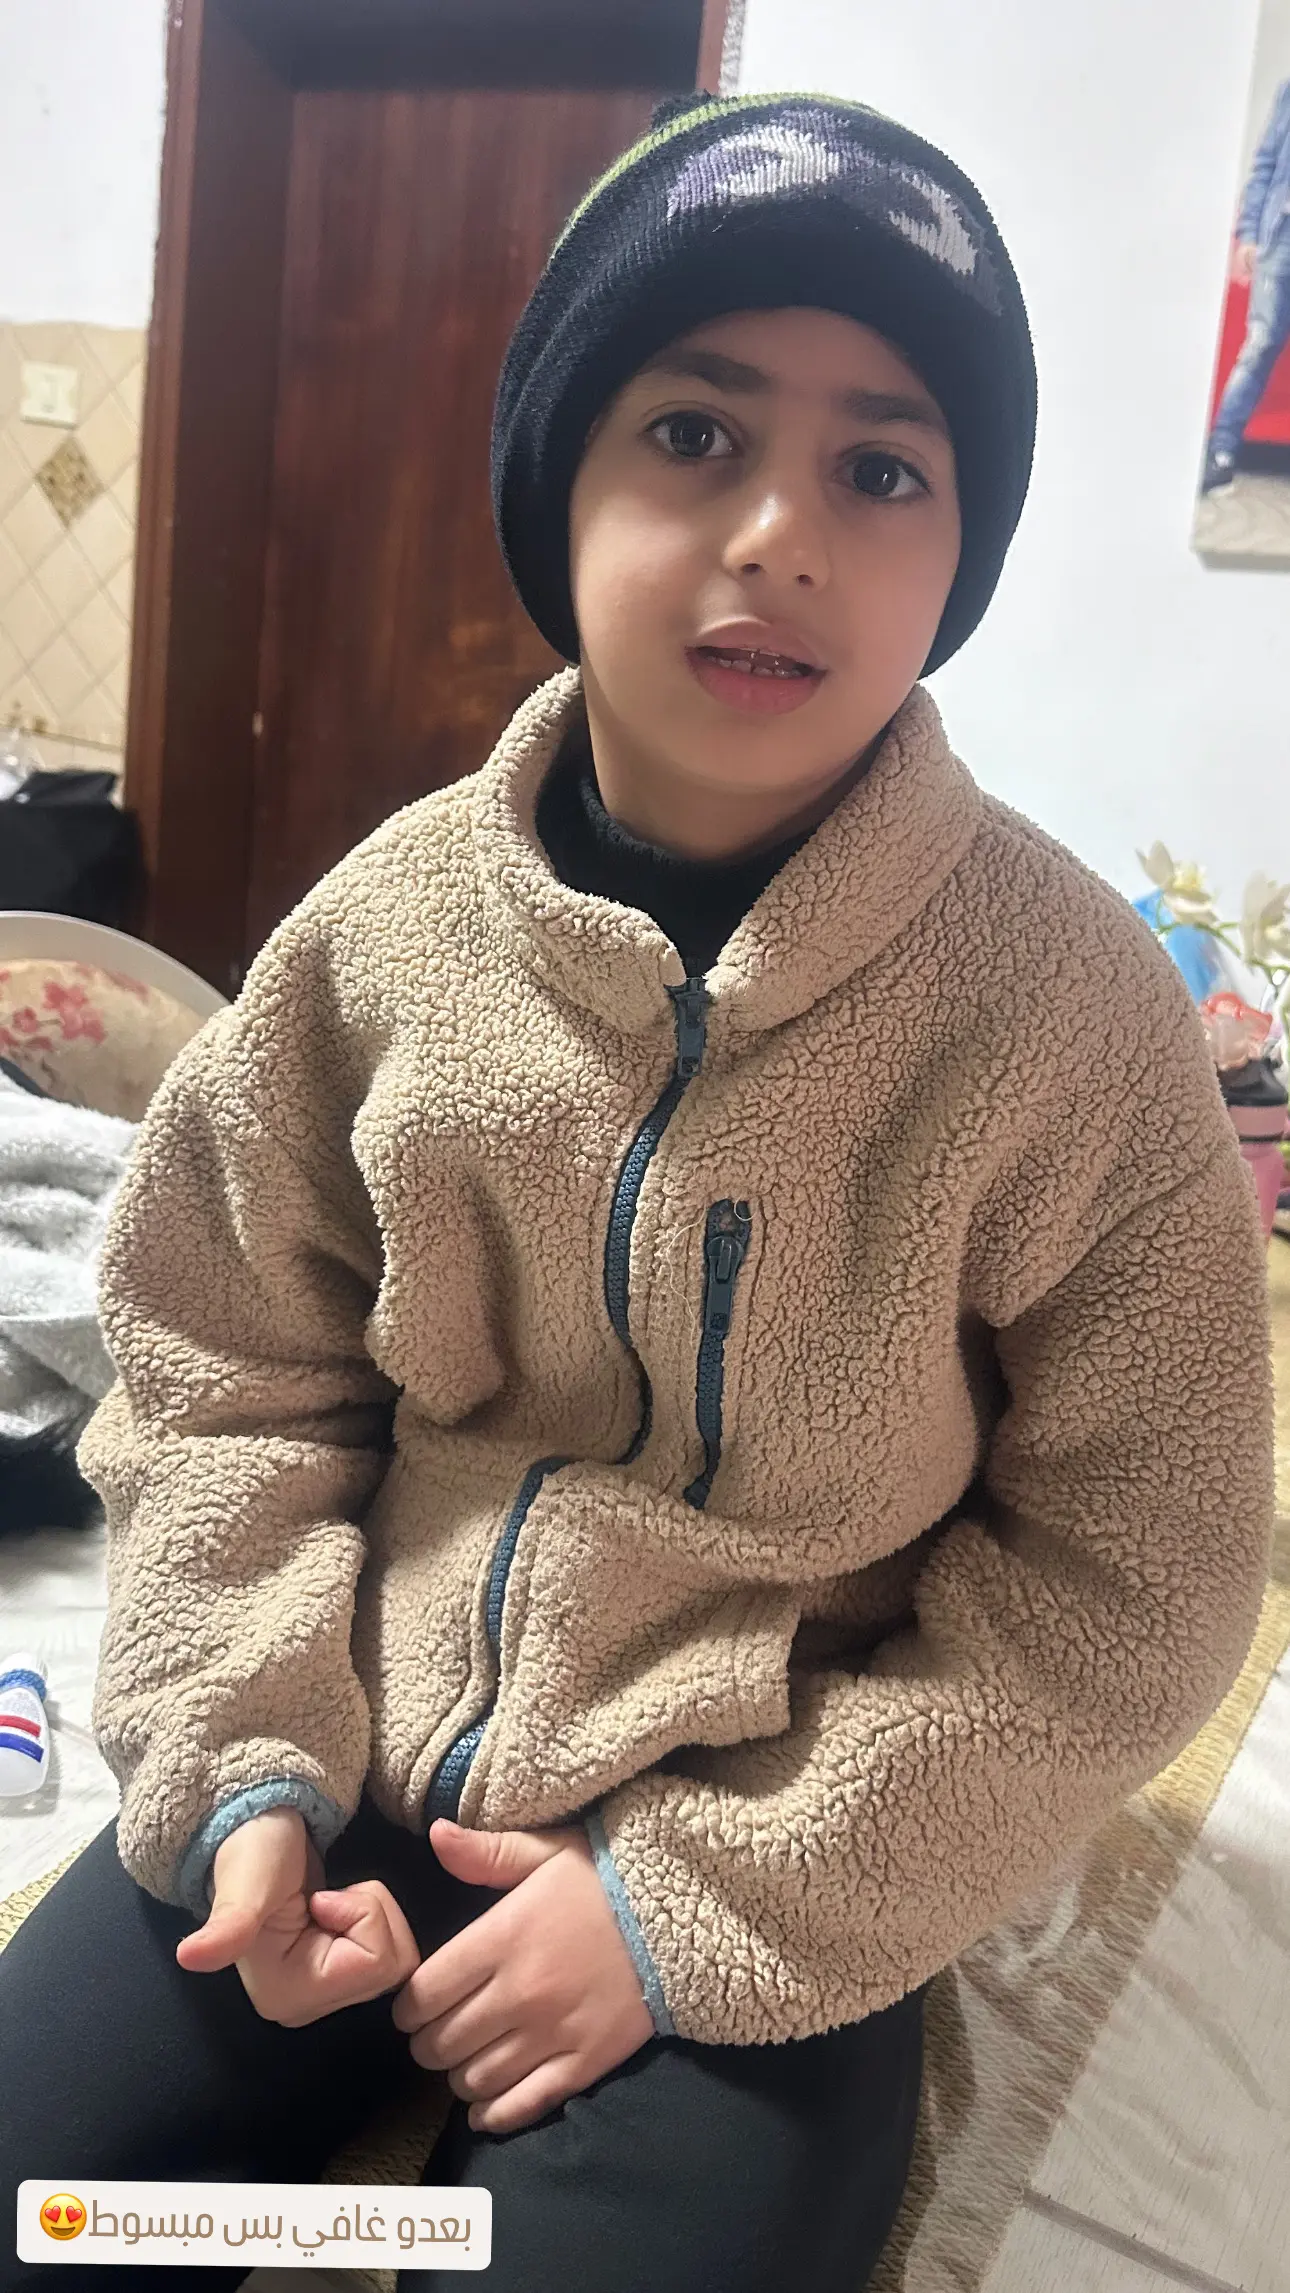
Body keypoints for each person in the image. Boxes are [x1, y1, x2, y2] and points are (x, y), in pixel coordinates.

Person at [0, 91, 1275, 2293]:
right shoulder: (379, 939)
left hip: (766, 1828)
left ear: (956, 550)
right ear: (560, 484)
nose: (780, 531)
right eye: (694, 434)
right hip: (342, 1761)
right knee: (47, 2202)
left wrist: (693, 1914)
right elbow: (219, 1368)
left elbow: (1136, 1579)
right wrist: (242, 1762)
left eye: (882, 469)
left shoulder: (1071, 1022)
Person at [1202, 73, 1290, 492]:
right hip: (1281, 236)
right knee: (1259, 345)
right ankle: (1220, 453)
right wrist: (1249, 233)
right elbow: (1266, 164)